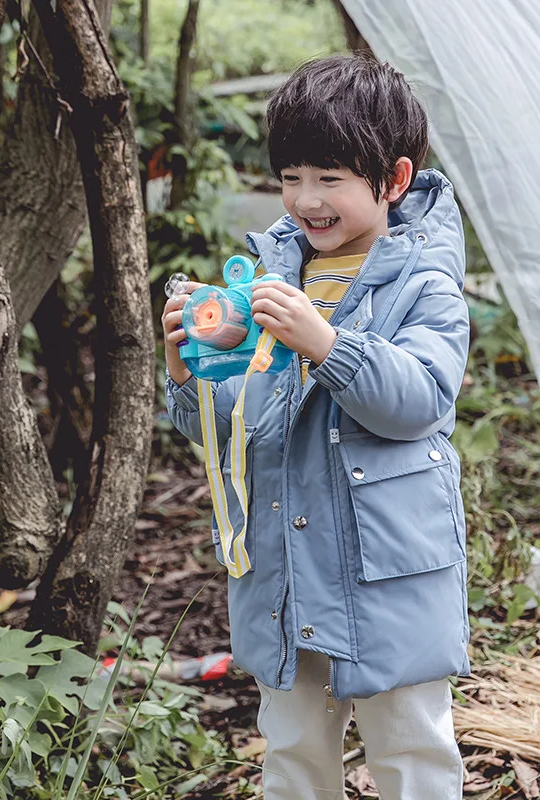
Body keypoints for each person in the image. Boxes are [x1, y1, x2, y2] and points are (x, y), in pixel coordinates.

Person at [162, 53, 470, 800]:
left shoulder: (422, 280)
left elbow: (420, 398)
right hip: (287, 574)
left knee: (410, 750)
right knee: (294, 751)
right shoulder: (273, 275)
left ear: (393, 180)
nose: (306, 199)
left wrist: (324, 344)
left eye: (330, 179)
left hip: (386, 576)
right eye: (291, 177)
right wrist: (188, 369)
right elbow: (237, 430)